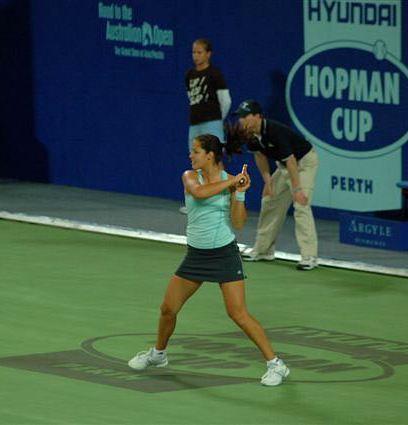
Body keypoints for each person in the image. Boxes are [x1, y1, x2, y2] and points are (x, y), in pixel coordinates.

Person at [127, 134, 290, 387]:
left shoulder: (231, 182)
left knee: (238, 313)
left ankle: (276, 364)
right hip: (196, 256)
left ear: (210, 155)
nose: (191, 156)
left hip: (224, 254)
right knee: (168, 308)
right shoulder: (190, 177)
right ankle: (158, 354)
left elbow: (237, 223)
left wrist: (241, 193)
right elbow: (200, 194)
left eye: (195, 152)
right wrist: (234, 182)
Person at [232, 99, 320, 271]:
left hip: (304, 163)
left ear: (258, 116)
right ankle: (264, 250)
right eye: (239, 117)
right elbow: (259, 156)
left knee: (301, 205)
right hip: (285, 166)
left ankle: (310, 257)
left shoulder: (274, 131)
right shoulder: (249, 134)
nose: (241, 120)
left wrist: (297, 190)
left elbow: (292, 162)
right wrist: (268, 181)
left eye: (245, 116)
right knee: (269, 202)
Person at [180, 38, 231, 214]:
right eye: (194, 52)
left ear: (208, 54)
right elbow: (191, 97)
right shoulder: (189, 75)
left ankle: (225, 200)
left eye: (199, 52)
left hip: (213, 122)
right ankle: (196, 202)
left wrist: (217, 119)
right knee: (196, 160)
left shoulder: (215, 74)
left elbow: (225, 100)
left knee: (215, 161)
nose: (196, 56)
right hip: (195, 123)